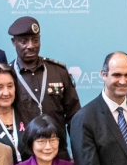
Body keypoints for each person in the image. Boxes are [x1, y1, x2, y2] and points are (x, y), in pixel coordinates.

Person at [8, 17, 80, 145]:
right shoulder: (7, 75)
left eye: (35, 40)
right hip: (23, 155)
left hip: (57, 151)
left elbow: (74, 118)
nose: (31, 46)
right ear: (14, 42)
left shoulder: (58, 71)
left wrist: (78, 154)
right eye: (24, 42)